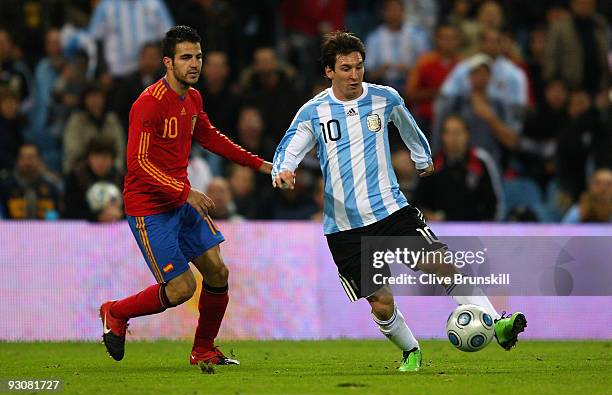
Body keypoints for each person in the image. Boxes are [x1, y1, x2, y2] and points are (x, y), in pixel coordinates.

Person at [272, 31, 526, 372]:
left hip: (391, 210)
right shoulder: (313, 111)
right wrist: (284, 170)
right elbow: (292, 145)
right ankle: (411, 351)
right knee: (381, 302)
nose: (354, 75)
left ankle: (497, 325)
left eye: (359, 66)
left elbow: (409, 126)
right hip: (345, 227)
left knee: (440, 263)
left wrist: (422, 158)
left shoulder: (384, 98)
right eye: (345, 68)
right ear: (328, 71)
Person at [99, 26, 272, 366]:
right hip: (150, 208)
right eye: (186, 58)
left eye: (199, 57)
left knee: (218, 273)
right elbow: (138, 162)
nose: (195, 64)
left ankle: (203, 350)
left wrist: (259, 164)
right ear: (168, 62)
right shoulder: (148, 104)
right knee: (181, 289)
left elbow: (211, 138)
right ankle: (115, 312)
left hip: (181, 201)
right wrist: (184, 190)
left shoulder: (192, 98)